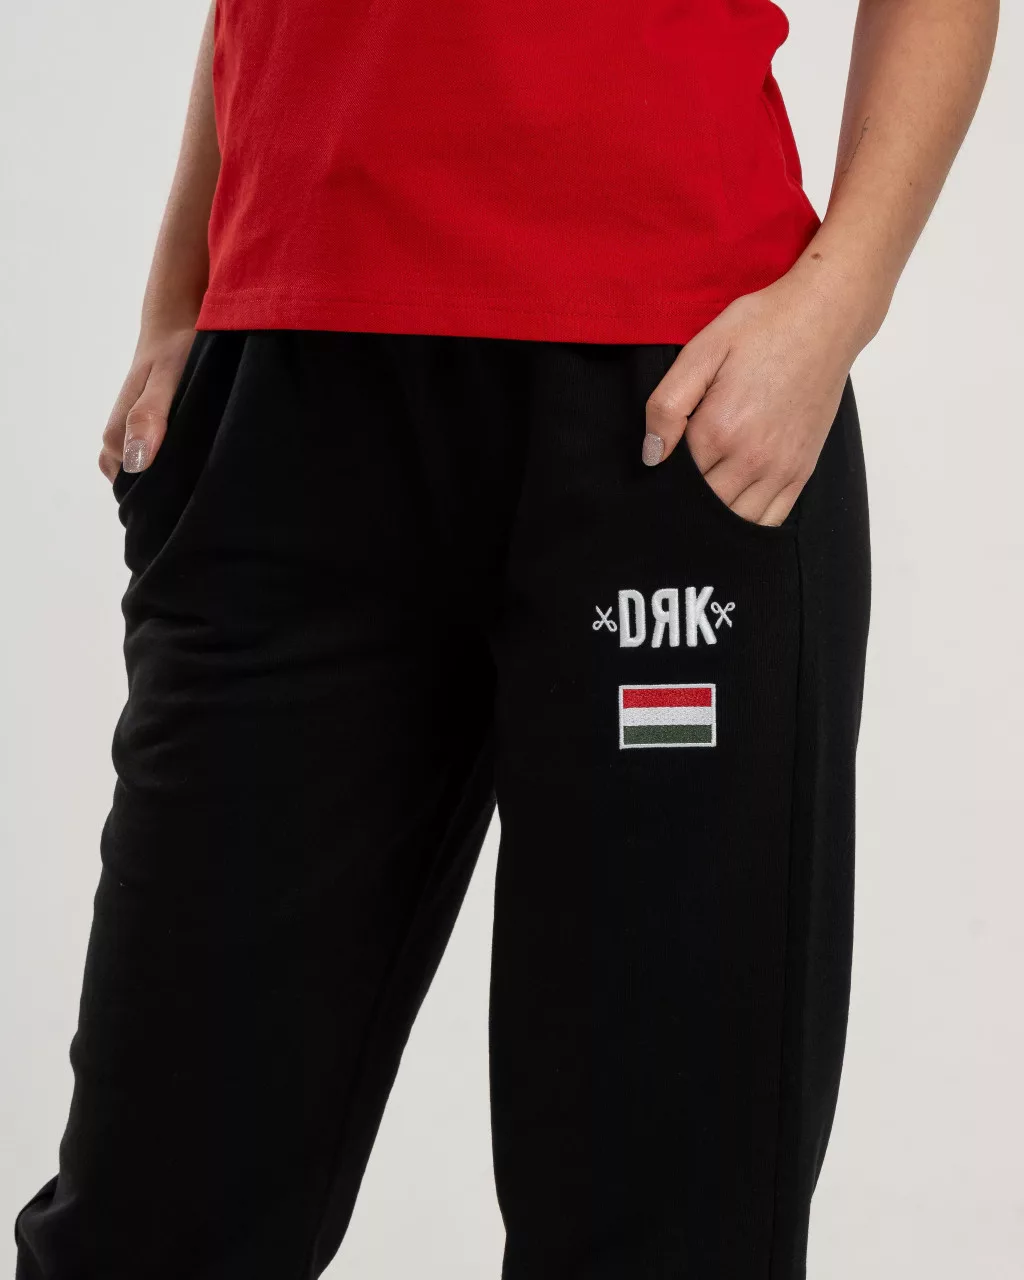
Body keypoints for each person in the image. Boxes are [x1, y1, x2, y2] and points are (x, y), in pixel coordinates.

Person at [15, 1, 997, 1277]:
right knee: (147, 1217)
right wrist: (180, 299)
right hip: (289, 409)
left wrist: (838, 299)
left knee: (659, 1231)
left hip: (667, 414)